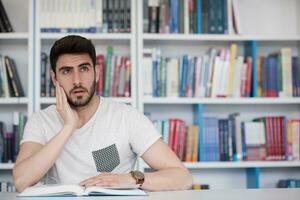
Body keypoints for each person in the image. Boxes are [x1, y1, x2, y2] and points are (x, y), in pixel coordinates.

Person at [13, 35, 192, 192]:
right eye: (66, 71)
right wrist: (68, 127)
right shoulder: (41, 121)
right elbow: (21, 181)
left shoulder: (126, 117)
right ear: (54, 78)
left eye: (84, 69)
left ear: (96, 73)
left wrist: (132, 179)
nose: (77, 80)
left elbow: (182, 177)